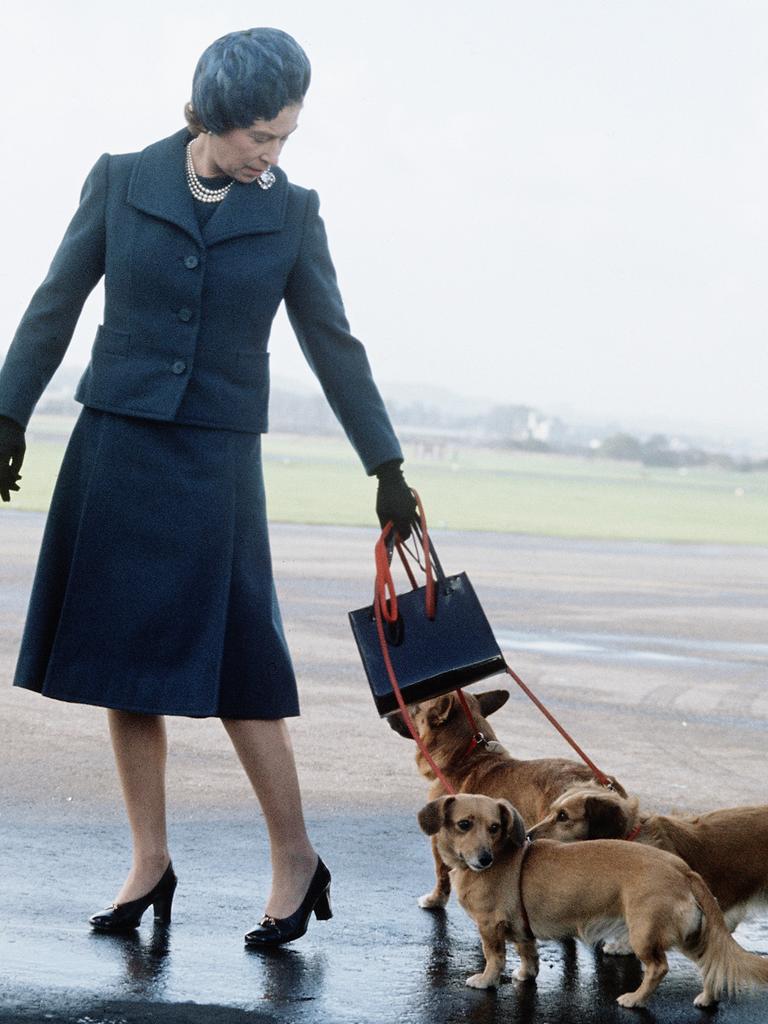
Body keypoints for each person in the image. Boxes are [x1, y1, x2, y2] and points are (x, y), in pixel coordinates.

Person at [0, 27, 417, 946]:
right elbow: (54, 303)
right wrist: (7, 413)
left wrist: (384, 464)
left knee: (242, 669)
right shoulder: (119, 179)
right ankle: (149, 863)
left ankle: (296, 860)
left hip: (218, 461)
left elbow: (331, 342)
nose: (272, 154)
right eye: (260, 136)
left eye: (285, 139)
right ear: (211, 116)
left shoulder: (294, 213)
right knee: (123, 664)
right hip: (117, 445)